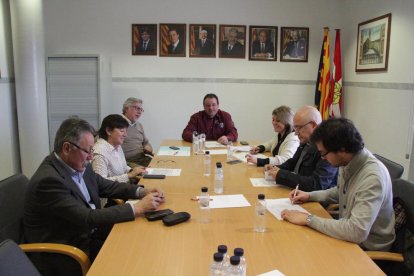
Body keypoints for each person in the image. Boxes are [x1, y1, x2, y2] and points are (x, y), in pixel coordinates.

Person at [24, 117, 165, 275]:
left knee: (141, 241)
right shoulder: (49, 181)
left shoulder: (77, 163)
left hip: (88, 233)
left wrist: (141, 191)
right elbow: (87, 218)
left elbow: (106, 186)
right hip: (69, 249)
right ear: (66, 148)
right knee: (131, 262)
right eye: (88, 150)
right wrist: (137, 207)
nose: (91, 156)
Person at [281, 118, 395, 252]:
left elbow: (357, 231)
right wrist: (309, 196)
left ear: (342, 150)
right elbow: (340, 191)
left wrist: (308, 219)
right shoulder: (347, 160)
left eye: (323, 153)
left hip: (367, 248)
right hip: (348, 234)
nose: (322, 158)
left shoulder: (372, 178)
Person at [264, 105, 338, 191]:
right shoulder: (307, 141)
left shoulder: (327, 147)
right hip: (298, 192)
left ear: (313, 125)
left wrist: (281, 174)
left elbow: (317, 184)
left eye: (298, 128)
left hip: (316, 201)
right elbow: (293, 162)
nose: (296, 133)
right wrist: (277, 168)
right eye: (295, 128)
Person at [92, 114, 145, 183]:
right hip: (113, 192)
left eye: (126, 131)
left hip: (123, 186)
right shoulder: (99, 153)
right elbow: (100, 182)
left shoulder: (116, 145)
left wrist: (132, 170)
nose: (125, 135)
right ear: (108, 131)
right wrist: (129, 175)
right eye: (122, 131)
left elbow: (122, 167)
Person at [121, 97, 153, 167]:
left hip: (142, 158)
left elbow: (146, 143)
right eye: (137, 108)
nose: (139, 112)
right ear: (126, 108)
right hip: (127, 162)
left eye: (141, 110)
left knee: (163, 165)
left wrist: (148, 148)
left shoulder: (139, 125)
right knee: (152, 172)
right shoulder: (117, 123)